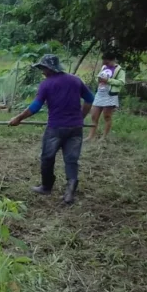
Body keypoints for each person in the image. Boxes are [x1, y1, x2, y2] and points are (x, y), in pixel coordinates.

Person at [9, 54, 93, 205]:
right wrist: (82, 116)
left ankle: (47, 186)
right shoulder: (75, 80)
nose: (42, 71)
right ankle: (70, 191)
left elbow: (35, 107)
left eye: (43, 68)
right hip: (75, 128)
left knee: (47, 157)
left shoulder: (46, 84)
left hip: (56, 128)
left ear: (49, 68)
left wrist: (18, 118)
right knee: (71, 159)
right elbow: (90, 99)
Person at [87, 51, 126, 141]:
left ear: (113, 60)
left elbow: (121, 82)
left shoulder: (120, 70)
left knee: (107, 116)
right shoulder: (104, 67)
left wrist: (108, 80)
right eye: (104, 62)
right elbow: (99, 76)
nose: (106, 64)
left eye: (107, 62)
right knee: (94, 116)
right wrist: (99, 79)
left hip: (110, 95)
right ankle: (90, 136)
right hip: (100, 93)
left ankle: (104, 137)